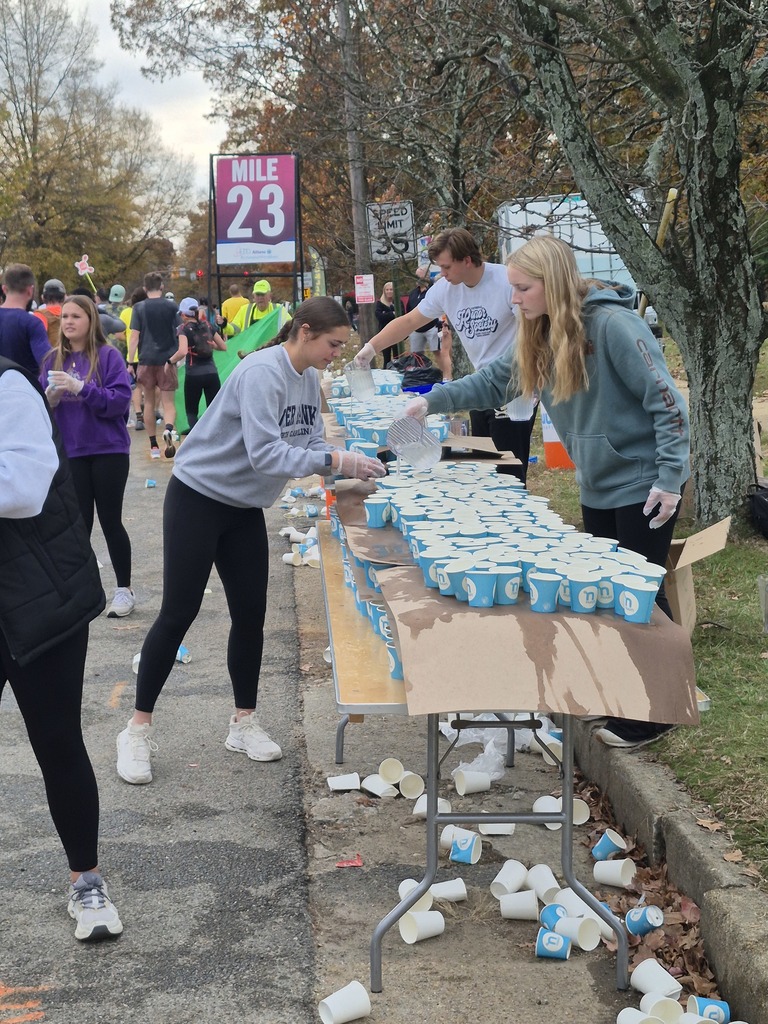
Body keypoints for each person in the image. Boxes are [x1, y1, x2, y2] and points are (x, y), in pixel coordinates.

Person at [405, 234, 690, 748]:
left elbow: (668, 404)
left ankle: (656, 711)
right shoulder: (539, 333)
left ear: (552, 283)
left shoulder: (614, 326)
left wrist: (670, 477)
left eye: (522, 288)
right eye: (512, 289)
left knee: (642, 595)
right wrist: (432, 402)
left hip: (644, 480)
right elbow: (494, 382)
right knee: (611, 593)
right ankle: (627, 695)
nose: (512, 299)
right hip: (597, 479)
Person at [115, 296, 386, 785]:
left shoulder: (308, 379)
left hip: (243, 509)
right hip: (199, 497)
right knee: (179, 612)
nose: (336, 354)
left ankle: (244, 721)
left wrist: (348, 472)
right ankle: (137, 729)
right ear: (303, 332)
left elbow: (305, 446)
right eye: (332, 344)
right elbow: (266, 454)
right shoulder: (263, 372)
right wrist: (337, 464)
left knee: (250, 615)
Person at [0, 357, 123, 940]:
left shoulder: (9, 385)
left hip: (42, 594)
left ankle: (87, 881)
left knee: (56, 742)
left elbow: (23, 490)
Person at [357, 228, 536, 482]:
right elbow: (409, 321)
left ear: (466, 260)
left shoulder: (506, 282)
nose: (442, 274)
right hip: (480, 385)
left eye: (447, 267)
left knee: (509, 470)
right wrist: (371, 347)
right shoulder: (445, 289)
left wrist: (532, 382)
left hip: (514, 386)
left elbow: (529, 337)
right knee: (486, 466)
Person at [41, 296, 135, 618]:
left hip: (108, 450)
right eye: (65, 316)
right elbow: (42, 412)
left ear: (90, 320)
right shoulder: (53, 359)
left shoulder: (109, 356)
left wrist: (82, 388)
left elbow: (119, 403)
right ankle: (82, 592)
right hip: (73, 452)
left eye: (76, 316)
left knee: (110, 521)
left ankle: (124, 590)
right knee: (78, 524)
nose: (68, 322)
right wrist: (50, 399)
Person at [128, 272, 183, 459]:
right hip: (167, 360)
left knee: (149, 403)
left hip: (146, 360)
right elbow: (179, 332)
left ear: (145, 289)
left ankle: (153, 446)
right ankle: (168, 429)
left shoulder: (139, 308)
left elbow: (134, 336)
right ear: (162, 287)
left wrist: (130, 361)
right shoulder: (172, 307)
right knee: (168, 403)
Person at [174, 296, 227, 430]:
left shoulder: (183, 329)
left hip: (193, 374)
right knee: (213, 411)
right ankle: (215, 441)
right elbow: (223, 346)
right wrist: (211, 345)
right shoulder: (208, 325)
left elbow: (182, 351)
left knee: (192, 412)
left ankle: (196, 442)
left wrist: (169, 362)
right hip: (212, 374)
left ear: (184, 315)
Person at [0, 263, 52, 372]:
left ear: (4, 289)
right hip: (24, 385)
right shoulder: (32, 323)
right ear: (30, 290)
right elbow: (47, 363)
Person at [122, 287, 147, 430]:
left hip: (133, 355)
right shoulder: (148, 311)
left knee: (136, 386)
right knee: (151, 385)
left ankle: (138, 415)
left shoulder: (125, 313)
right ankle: (152, 410)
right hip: (149, 353)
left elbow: (120, 333)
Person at [33, 278, 67, 346]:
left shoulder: (39, 315)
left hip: (49, 355)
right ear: (64, 297)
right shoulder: (71, 314)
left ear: (43, 297)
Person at [374, 281, 399, 367]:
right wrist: (392, 314)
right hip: (384, 333)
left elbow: (401, 314)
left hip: (397, 333)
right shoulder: (380, 303)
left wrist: (386, 314)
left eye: (391, 289)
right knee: (386, 358)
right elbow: (379, 316)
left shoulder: (398, 302)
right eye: (387, 289)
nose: (389, 291)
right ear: (384, 291)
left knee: (398, 357)